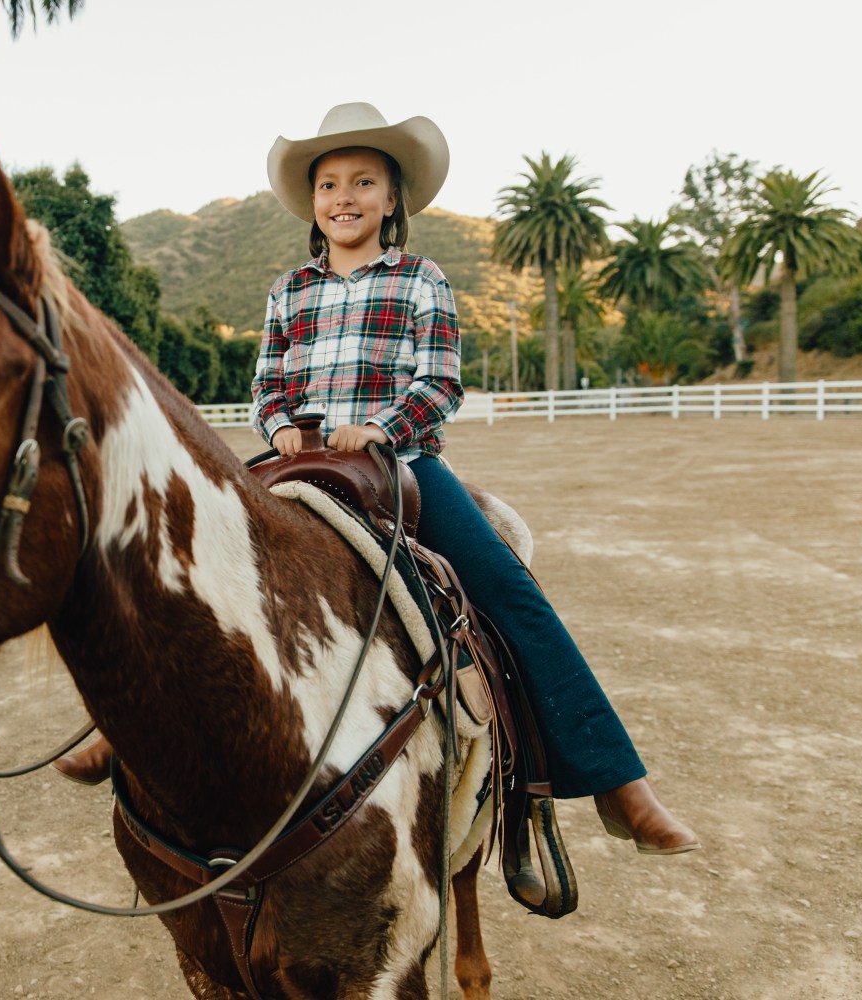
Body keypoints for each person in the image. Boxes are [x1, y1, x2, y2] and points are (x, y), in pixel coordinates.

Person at [56, 102, 698, 858]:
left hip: (404, 467)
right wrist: (283, 426)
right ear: (313, 202)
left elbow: (442, 381)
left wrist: (385, 428)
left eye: (364, 182)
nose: (345, 197)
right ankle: (119, 729)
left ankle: (619, 783)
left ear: (393, 199)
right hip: (301, 462)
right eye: (329, 185)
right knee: (190, 562)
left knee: (507, 590)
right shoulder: (288, 290)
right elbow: (267, 384)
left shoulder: (423, 278)